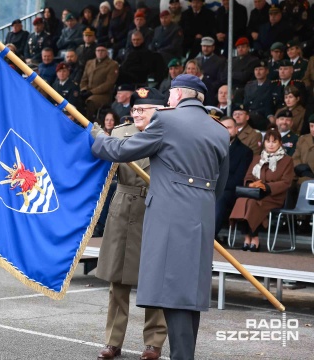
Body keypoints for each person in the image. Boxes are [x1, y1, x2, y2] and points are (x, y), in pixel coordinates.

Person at [91, 74, 229, 360]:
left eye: (169, 96)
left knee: (171, 290)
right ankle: (183, 353)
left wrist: (94, 136)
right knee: (190, 293)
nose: (167, 101)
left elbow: (121, 149)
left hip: (169, 215)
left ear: (179, 94)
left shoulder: (167, 121)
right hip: (201, 215)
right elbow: (221, 183)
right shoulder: (220, 131)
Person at [94, 88, 168, 360]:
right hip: (124, 207)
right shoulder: (120, 134)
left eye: (143, 110)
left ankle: (153, 342)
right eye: (134, 109)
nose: (136, 113)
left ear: (158, 112)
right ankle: (113, 341)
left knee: (155, 279)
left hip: (156, 207)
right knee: (118, 279)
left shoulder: (169, 134)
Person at [230, 126, 294, 252]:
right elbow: (248, 176)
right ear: (264, 143)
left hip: (273, 195)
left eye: (274, 141)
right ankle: (247, 236)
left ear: (280, 143)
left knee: (254, 204)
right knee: (241, 201)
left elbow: (286, 182)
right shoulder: (257, 158)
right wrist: (251, 184)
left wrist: (267, 187)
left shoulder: (287, 160)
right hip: (255, 193)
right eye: (268, 141)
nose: (270, 145)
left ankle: (254, 237)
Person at [214, 116, 253, 241]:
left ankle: (209, 236)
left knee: (220, 198)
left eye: (229, 127)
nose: (226, 130)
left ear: (236, 129)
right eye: (223, 127)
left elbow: (239, 178)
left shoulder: (245, 151)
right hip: (211, 187)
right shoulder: (212, 147)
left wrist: (217, 187)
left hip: (230, 191)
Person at [80, 44, 119, 120]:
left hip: (103, 95)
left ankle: (88, 123)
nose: (100, 52)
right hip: (88, 91)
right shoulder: (89, 63)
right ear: (95, 52)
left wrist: (92, 92)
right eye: (98, 50)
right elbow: (84, 79)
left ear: (107, 52)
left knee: (91, 101)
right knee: (75, 98)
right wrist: (83, 89)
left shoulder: (112, 64)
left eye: (102, 50)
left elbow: (109, 83)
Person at [292, 115, 314, 186]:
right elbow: (295, 158)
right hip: (302, 177)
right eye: (311, 126)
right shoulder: (303, 139)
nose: (313, 129)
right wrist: (303, 170)